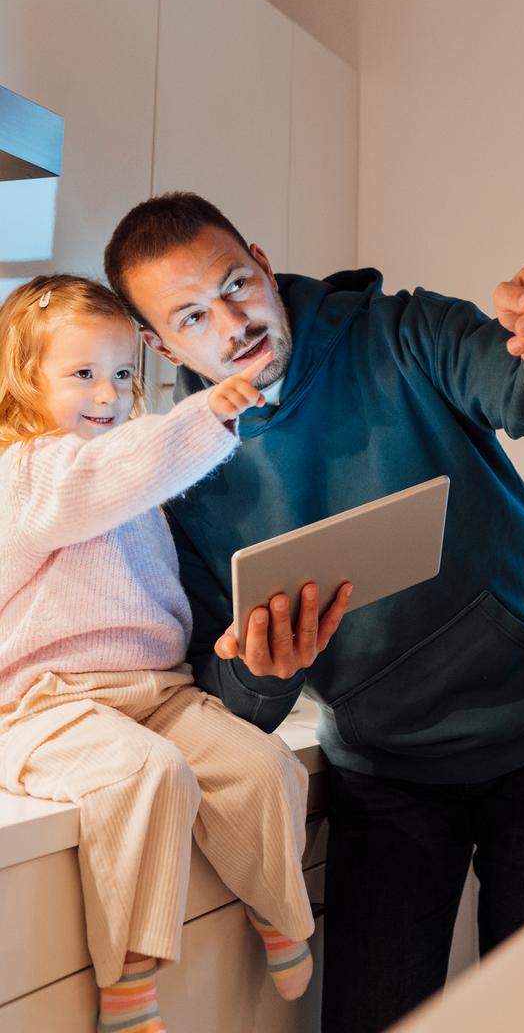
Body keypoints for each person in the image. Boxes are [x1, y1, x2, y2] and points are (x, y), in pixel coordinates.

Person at [103, 192, 524, 1033]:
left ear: (265, 266)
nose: (232, 323)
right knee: (371, 1014)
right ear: (162, 346)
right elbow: (220, 690)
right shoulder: (182, 479)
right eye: (194, 316)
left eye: (237, 285)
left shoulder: (400, 329)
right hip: (386, 762)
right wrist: (260, 675)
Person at [0, 275, 316, 1033]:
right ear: (21, 378)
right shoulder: (28, 471)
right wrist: (205, 412)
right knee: (150, 776)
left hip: (157, 691)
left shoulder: (119, 472)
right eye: (83, 374)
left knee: (266, 767)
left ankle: (283, 913)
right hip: (50, 701)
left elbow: (130, 476)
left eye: (121, 374)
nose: (108, 394)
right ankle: (130, 982)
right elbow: (108, 477)